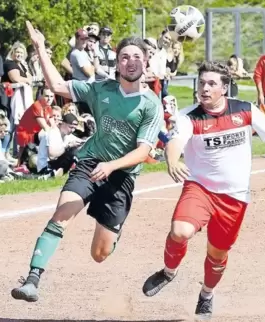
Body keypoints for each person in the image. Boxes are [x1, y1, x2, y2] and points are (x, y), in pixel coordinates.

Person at [141, 61, 265, 320]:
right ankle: (168, 271)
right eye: (201, 83)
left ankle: (206, 295)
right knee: (180, 231)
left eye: (211, 84)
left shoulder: (245, 111)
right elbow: (175, 141)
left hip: (234, 196)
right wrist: (173, 160)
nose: (204, 89)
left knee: (217, 253)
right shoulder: (190, 116)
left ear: (225, 87)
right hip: (200, 188)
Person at [10, 21, 164, 302]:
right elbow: (56, 84)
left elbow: (144, 152)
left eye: (136, 57)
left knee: (99, 254)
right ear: (117, 62)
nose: (130, 62)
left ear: (146, 61)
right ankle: (33, 278)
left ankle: (112, 233)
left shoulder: (151, 104)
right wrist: (40, 47)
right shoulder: (100, 89)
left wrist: (113, 166)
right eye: (125, 57)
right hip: (91, 163)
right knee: (62, 214)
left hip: (121, 177)